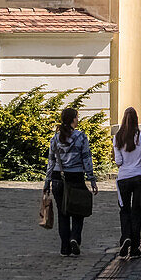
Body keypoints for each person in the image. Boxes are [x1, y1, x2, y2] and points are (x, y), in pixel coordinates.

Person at [44, 106, 98, 258]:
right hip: (75, 178)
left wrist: (46, 182)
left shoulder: (55, 138)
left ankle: (64, 248)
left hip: (57, 178)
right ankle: (75, 237)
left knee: (63, 213)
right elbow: (86, 158)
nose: (78, 119)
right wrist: (91, 179)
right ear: (73, 119)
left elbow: (51, 162)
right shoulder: (81, 137)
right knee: (78, 210)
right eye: (76, 117)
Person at [113, 106, 141, 260]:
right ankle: (135, 248)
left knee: (124, 209)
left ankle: (125, 237)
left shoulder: (117, 137)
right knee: (137, 212)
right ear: (137, 119)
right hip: (138, 178)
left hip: (123, 178)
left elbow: (118, 161)